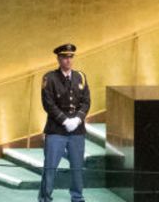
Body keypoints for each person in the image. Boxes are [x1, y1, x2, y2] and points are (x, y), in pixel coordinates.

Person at [40, 43, 91, 202]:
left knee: (77, 168)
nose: (68, 60)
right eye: (64, 57)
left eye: (70, 57)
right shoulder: (49, 78)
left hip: (77, 131)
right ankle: (45, 199)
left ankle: (77, 198)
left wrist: (77, 119)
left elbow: (86, 101)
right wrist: (64, 120)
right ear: (58, 58)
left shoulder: (80, 76)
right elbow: (48, 103)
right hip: (56, 130)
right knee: (50, 168)